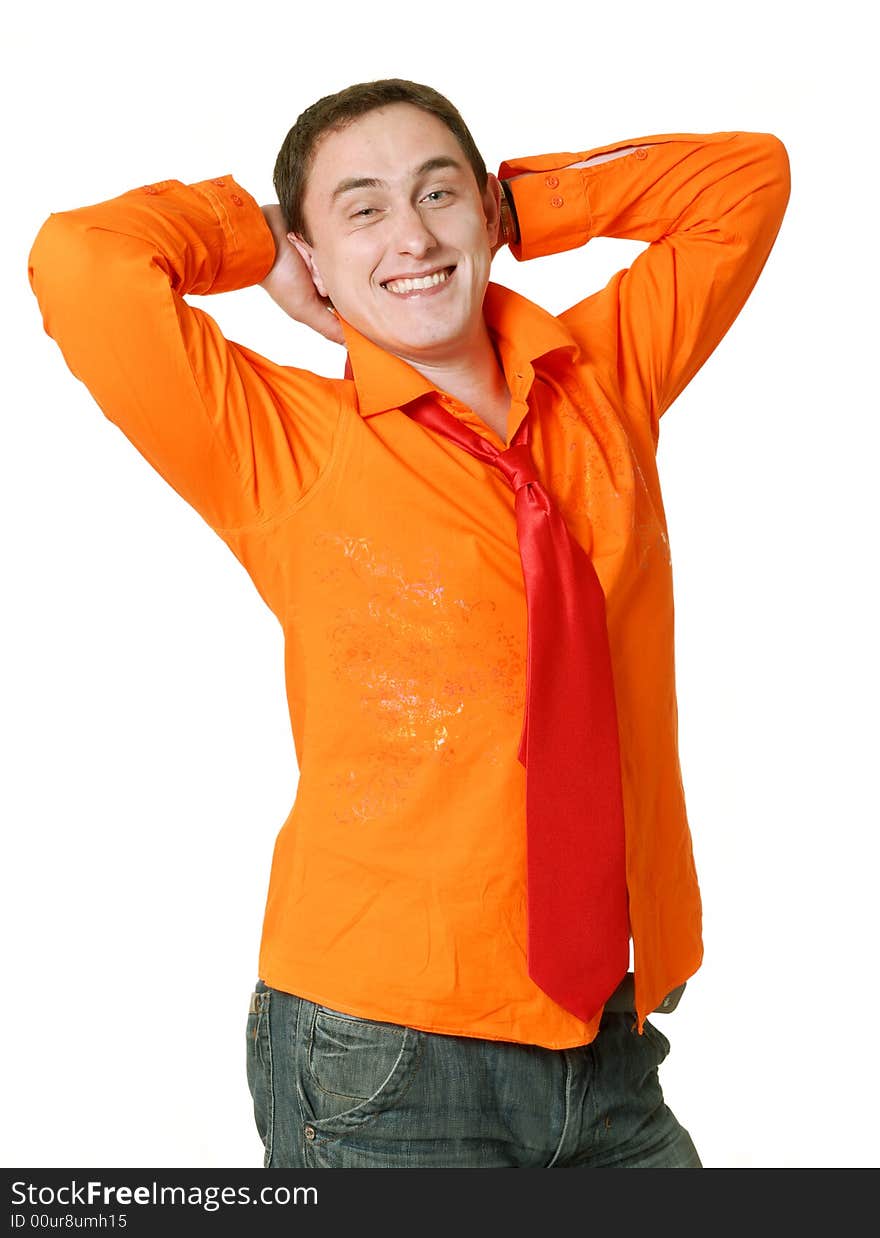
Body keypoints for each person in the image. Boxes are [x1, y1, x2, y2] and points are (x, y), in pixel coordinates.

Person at [27, 78, 790, 1169]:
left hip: (611, 1036)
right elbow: (80, 263)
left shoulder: (604, 379)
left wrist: (529, 209)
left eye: (439, 194)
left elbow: (745, 178)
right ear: (315, 251)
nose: (414, 235)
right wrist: (253, 241)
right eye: (363, 209)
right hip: (383, 1050)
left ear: (480, 211)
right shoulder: (279, 442)